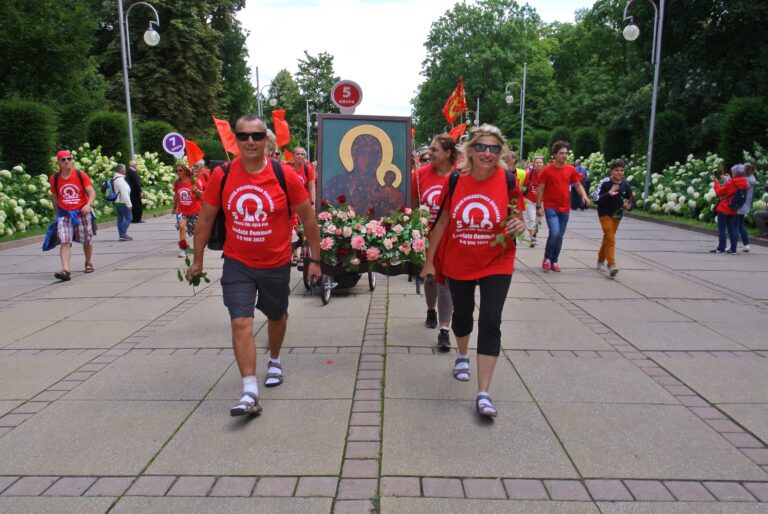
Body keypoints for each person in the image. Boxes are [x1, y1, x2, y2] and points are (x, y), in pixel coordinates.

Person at [187, 114, 321, 417]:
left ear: (265, 140)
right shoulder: (221, 175)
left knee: (277, 315)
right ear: (236, 140)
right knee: (240, 321)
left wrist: (315, 259)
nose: (250, 141)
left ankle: (274, 359)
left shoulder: (283, 174)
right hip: (238, 262)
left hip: (276, 262)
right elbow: (206, 217)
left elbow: (308, 217)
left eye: (257, 136)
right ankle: (249, 390)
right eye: (244, 136)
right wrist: (197, 259)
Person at [421, 124, 525, 418]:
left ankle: (483, 393)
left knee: (491, 319)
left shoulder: (507, 181)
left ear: (500, 152)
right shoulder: (455, 180)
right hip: (459, 261)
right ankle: (462, 354)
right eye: (481, 147)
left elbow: (517, 215)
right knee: (463, 316)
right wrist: (429, 261)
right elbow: (441, 223)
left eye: (494, 148)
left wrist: (520, 223)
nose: (487, 153)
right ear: (470, 151)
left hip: (498, 261)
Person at [411, 134, 457, 351]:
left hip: (453, 239)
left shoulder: (459, 175)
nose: (429, 153)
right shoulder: (419, 175)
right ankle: (431, 309)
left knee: (445, 282)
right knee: (431, 279)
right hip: (428, 236)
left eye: (434, 149)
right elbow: (412, 205)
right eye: (430, 149)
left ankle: (444, 330)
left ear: (448, 153)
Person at [536, 141, 590, 272]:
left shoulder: (570, 169)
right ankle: (547, 259)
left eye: (566, 153)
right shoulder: (547, 170)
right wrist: (538, 206)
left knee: (559, 236)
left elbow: (577, 184)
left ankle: (554, 260)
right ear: (555, 154)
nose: (565, 156)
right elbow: (541, 188)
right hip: (551, 206)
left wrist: (584, 195)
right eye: (561, 153)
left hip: (565, 207)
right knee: (554, 232)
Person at [49, 150, 97, 281]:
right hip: (65, 213)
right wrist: (56, 212)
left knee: (87, 240)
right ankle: (66, 270)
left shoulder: (80, 174)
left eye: (69, 159)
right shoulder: (55, 178)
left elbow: (91, 192)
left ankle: (88, 262)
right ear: (58, 162)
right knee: (65, 241)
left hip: (82, 212)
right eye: (63, 160)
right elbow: (54, 196)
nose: (67, 162)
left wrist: (89, 204)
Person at [593, 159, 634, 277]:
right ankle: (611, 265)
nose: (619, 173)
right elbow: (596, 199)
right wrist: (609, 193)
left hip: (617, 215)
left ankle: (600, 260)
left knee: (607, 238)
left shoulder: (625, 185)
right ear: (611, 171)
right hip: (604, 214)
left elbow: (631, 199)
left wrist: (629, 205)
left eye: (621, 170)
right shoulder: (605, 183)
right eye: (616, 170)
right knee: (610, 238)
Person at [711, 164, 749, 254]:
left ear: (735, 173)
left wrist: (716, 182)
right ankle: (733, 249)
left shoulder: (731, 183)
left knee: (722, 229)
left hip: (724, 208)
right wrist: (728, 180)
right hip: (734, 208)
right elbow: (734, 189)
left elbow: (718, 193)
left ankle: (721, 248)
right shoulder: (744, 181)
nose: (731, 173)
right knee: (733, 229)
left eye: (732, 172)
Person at [173, 164, 201, 258]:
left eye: (180, 170)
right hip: (182, 210)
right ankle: (184, 249)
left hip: (194, 210)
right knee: (181, 227)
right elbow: (176, 196)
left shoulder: (193, 181)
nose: (178, 172)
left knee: (195, 231)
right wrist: (174, 207)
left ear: (185, 171)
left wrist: (195, 191)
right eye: (176, 171)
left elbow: (200, 196)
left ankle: (197, 248)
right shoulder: (177, 183)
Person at [522, 156, 543, 246]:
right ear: (534, 164)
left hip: (541, 201)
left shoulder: (545, 174)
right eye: (537, 162)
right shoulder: (528, 174)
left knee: (538, 221)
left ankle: (534, 235)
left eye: (540, 162)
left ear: (543, 164)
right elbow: (524, 185)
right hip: (529, 200)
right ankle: (532, 238)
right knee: (531, 218)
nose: (538, 164)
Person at [737, 163, 757, 252]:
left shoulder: (744, 180)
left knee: (734, 225)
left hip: (738, 204)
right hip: (746, 204)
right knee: (740, 225)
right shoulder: (753, 179)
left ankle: (733, 245)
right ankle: (746, 244)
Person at [113, 164, 133, 241]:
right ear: (120, 170)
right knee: (129, 218)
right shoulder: (120, 180)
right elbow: (124, 193)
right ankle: (123, 234)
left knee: (120, 218)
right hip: (123, 202)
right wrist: (129, 205)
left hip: (117, 202)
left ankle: (121, 234)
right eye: (124, 169)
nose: (125, 170)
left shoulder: (116, 178)